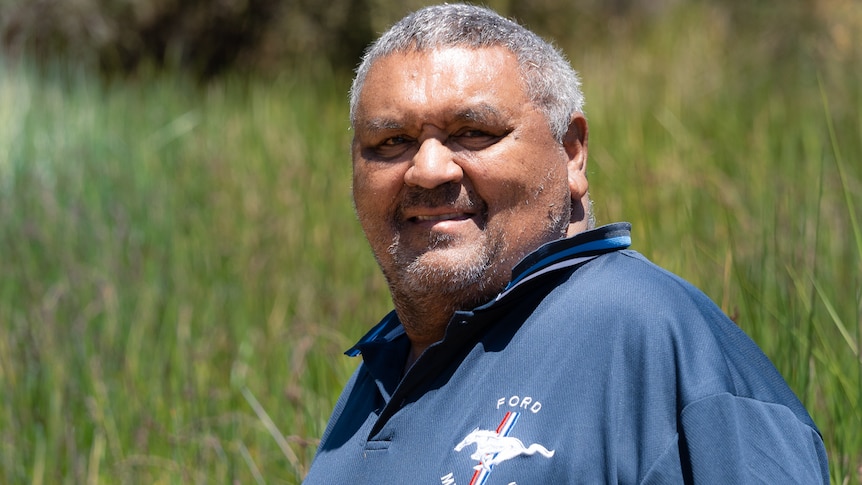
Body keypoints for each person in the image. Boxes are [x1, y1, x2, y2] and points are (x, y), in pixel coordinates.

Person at [303, 4, 829, 484]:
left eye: (474, 131)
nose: (427, 169)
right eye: (390, 141)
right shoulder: (374, 377)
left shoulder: (654, 339)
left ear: (571, 153)